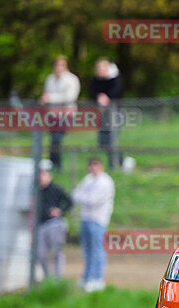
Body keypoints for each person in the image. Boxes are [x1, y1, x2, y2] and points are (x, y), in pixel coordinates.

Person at [72, 158, 115, 291]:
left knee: (97, 249)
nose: (93, 168)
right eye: (91, 165)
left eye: (95, 165)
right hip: (85, 218)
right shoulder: (88, 179)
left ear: (101, 166)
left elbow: (93, 200)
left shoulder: (105, 182)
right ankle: (87, 277)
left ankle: (97, 279)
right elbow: (75, 194)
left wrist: (84, 197)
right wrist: (85, 197)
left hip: (98, 220)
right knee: (87, 250)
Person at [40, 55, 80, 172]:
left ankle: (58, 165)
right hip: (53, 114)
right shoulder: (50, 79)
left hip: (66, 114)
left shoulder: (72, 79)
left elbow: (70, 97)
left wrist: (50, 98)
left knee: (57, 139)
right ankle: (53, 164)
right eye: (57, 65)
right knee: (53, 139)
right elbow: (46, 94)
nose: (59, 68)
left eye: (61, 65)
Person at [36, 159, 72, 278]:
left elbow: (69, 202)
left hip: (54, 223)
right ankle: (47, 276)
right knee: (40, 254)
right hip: (41, 225)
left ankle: (58, 277)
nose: (41, 177)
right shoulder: (36, 191)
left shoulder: (56, 189)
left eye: (44, 174)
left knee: (57, 252)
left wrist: (60, 211)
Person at [89, 58, 123, 167]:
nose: (100, 70)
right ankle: (119, 160)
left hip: (115, 114)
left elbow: (116, 92)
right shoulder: (96, 80)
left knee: (112, 139)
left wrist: (107, 97)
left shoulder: (115, 79)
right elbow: (92, 92)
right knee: (102, 142)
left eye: (102, 68)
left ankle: (115, 163)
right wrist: (99, 97)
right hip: (102, 114)